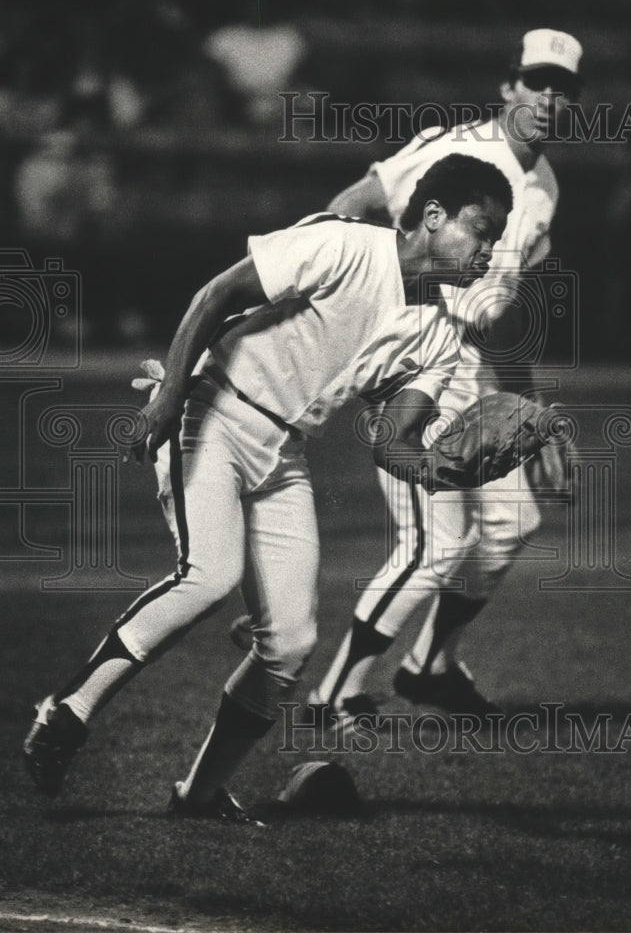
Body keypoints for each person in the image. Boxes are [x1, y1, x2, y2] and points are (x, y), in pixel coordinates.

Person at [23, 153, 512, 823]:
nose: (489, 250)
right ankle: (67, 711)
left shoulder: (441, 334)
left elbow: (394, 442)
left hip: (282, 453)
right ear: (432, 216)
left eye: (496, 237)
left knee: (289, 643)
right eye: (481, 229)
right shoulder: (345, 244)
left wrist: (453, 466)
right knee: (209, 575)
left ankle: (196, 797)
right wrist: (167, 399)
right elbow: (217, 294)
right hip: (212, 411)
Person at [304, 28, 584, 730]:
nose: (548, 97)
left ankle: (428, 664)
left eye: (564, 88)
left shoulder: (544, 185)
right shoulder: (456, 150)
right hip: (416, 354)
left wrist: (530, 407)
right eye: (537, 81)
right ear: (508, 86)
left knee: (514, 521)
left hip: (474, 367)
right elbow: (356, 201)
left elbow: (505, 304)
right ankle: (331, 695)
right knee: (436, 544)